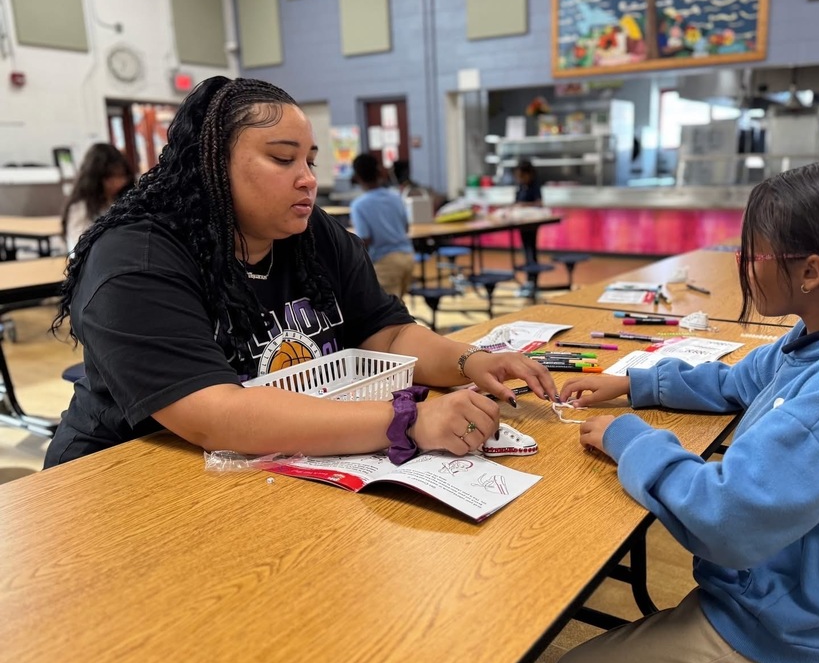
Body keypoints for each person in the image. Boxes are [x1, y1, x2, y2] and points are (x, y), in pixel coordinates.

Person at [553, 161, 819, 663]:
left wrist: (631, 439)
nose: (742, 264)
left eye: (753, 254)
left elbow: (727, 520)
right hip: (809, 591)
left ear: (812, 272)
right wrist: (634, 382)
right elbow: (741, 378)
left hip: (790, 630)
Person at [46, 77, 558, 468]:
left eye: (310, 161)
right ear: (212, 167)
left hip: (267, 461)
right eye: (282, 158)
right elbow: (217, 416)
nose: (308, 180)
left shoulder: (310, 234)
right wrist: (407, 420)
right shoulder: (137, 262)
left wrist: (468, 361)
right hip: (128, 477)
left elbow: (387, 331)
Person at [350, 152, 415, 299]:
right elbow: (406, 228)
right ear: (379, 171)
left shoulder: (359, 205)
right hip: (408, 256)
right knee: (399, 307)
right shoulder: (396, 196)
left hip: (385, 262)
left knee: (388, 314)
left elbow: (364, 240)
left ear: (357, 177)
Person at [60, 143, 133, 252]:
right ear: (95, 179)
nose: (117, 183)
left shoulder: (122, 198)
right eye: (110, 177)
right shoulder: (81, 208)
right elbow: (79, 247)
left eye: (121, 176)